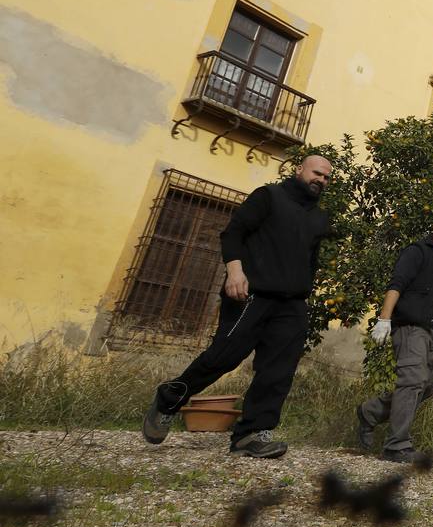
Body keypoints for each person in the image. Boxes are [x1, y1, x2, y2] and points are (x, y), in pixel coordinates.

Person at [142, 155, 334, 458]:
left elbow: (310, 260)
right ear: (299, 170)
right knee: (223, 357)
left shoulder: (318, 218)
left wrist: (304, 290)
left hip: (292, 304)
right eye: (317, 173)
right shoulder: (268, 196)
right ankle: (170, 396)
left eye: (326, 178)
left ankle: (251, 435)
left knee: (278, 371)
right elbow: (232, 233)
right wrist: (235, 271)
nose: (321, 180)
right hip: (251, 294)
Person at [355, 205, 433, 463]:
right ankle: (396, 446)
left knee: (429, 384)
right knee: (412, 380)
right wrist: (384, 320)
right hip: (410, 327)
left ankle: (370, 412)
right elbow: (396, 284)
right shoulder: (416, 252)